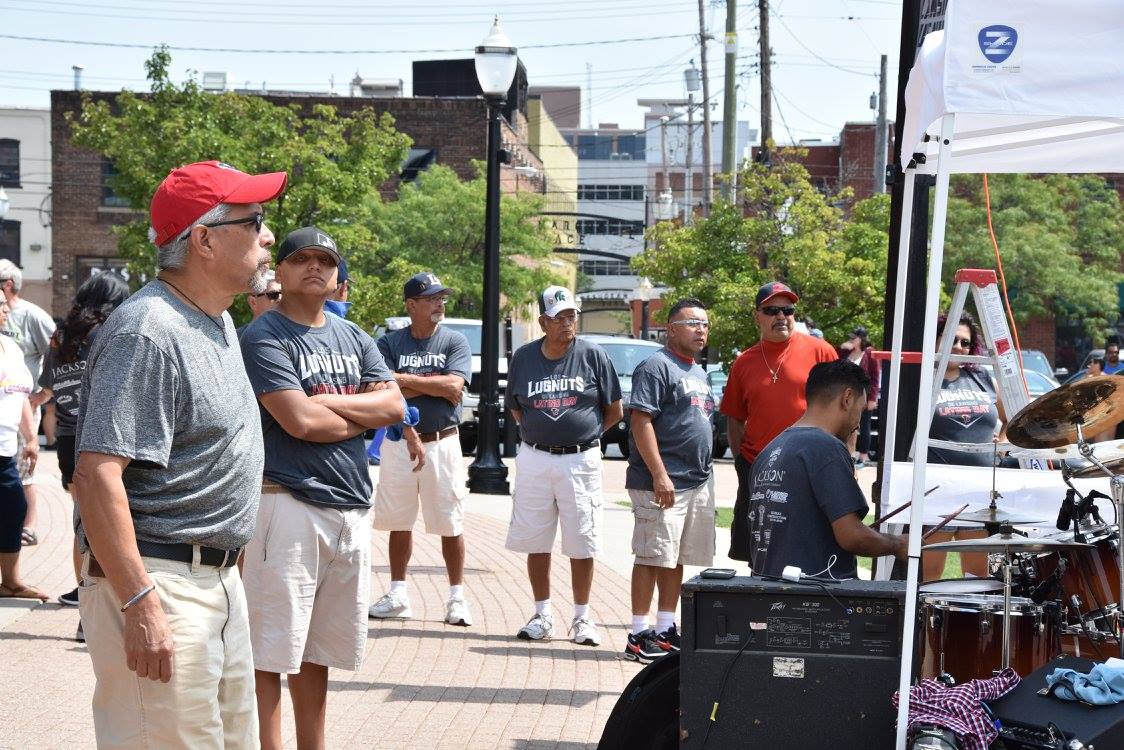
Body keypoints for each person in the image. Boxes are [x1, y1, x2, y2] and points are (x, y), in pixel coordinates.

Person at [73, 159, 287, 748]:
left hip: (212, 585)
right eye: (255, 220)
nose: (269, 236)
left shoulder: (213, 322)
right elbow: (96, 476)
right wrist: (140, 600)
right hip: (161, 585)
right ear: (205, 240)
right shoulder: (147, 330)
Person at [239, 226, 406, 750]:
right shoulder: (263, 336)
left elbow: (395, 407)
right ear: (279, 272)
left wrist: (324, 404)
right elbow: (298, 424)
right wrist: (358, 412)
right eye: (301, 258)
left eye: (325, 260)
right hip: (285, 503)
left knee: (316, 652)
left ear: (337, 277)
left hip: (349, 507)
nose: (315, 266)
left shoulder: (355, 337)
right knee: (270, 650)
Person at [505, 285, 623, 646]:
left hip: (580, 458)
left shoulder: (594, 355)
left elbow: (614, 410)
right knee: (536, 539)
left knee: (582, 540)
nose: (567, 323)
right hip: (535, 458)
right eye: (559, 317)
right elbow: (516, 407)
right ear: (543, 321)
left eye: (571, 315)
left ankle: (582, 618)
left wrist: (583, 437)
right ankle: (542, 614)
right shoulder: (524, 358)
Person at [370, 272, 474, 626]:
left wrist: (400, 380)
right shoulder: (389, 342)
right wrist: (429, 386)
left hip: (443, 442)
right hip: (399, 442)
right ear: (411, 305)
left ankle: (456, 598)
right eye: (431, 298)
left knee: (450, 522)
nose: (439, 304)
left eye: (441, 298)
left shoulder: (454, 341)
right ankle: (398, 594)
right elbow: (379, 390)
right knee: (399, 521)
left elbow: (454, 387)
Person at [31, 272, 130, 639]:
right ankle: (103, 611)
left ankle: (87, 613)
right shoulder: (108, 335)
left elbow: (47, 387)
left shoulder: (60, 338)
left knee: (83, 525)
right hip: (104, 436)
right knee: (111, 521)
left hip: (71, 443)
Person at [746, 360, 907, 578]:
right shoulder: (826, 448)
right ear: (847, 399)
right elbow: (852, 536)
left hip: (768, 590)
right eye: (860, 410)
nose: (858, 424)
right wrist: (898, 544)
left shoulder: (769, 451)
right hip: (817, 595)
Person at [624, 298, 715, 663]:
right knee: (650, 556)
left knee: (674, 557)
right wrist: (660, 474)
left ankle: (664, 628)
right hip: (660, 482)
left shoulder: (698, 371)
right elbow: (640, 420)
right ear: (671, 328)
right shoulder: (656, 366)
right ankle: (637, 632)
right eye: (694, 323)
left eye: (706, 324)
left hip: (695, 482)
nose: (701, 330)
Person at [721, 282, 838, 563]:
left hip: (810, 466)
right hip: (759, 469)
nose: (781, 317)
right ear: (757, 316)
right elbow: (735, 420)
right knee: (760, 551)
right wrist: (743, 464)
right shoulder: (744, 363)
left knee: (811, 546)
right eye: (772, 310)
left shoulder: (821, 352)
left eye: (788, 310)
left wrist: (842, 459)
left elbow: (844, 410)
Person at [924, 311, 1003, 580]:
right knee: (929, 581)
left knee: (977, 580)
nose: (958, 346)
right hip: (936, 489)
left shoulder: (981, 376)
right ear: (935, 340)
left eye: (965, 342)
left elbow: (1012, 421)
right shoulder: (923, 378)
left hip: (979, 490)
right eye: (950, 339)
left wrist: (1001, 445)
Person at [0, 259, 56, 547]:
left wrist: (44, 394)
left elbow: (58, 350)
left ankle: (29, 525)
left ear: (7, 285)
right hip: (8, 406)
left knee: (24, 470)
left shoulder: (32, 315)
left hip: (24, 405)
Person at [0, 296, 45, 601]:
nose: (7, 309)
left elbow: (21, 396)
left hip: (5, 449)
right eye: (0, 305)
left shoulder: (11, 348)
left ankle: (11, 582)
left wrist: (30, 439)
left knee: (14, 509)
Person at [839, 326, 880, 467]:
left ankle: (863, 456)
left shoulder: (869, 353)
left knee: (864, 424)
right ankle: (849, 453)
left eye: (854, 337)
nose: (851, 340)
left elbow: (875, 377)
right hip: (847, 396)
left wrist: (872, 398)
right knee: (849, 425)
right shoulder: (847, 353)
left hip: (863, 395)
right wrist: (842, 346)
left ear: (861, 338)